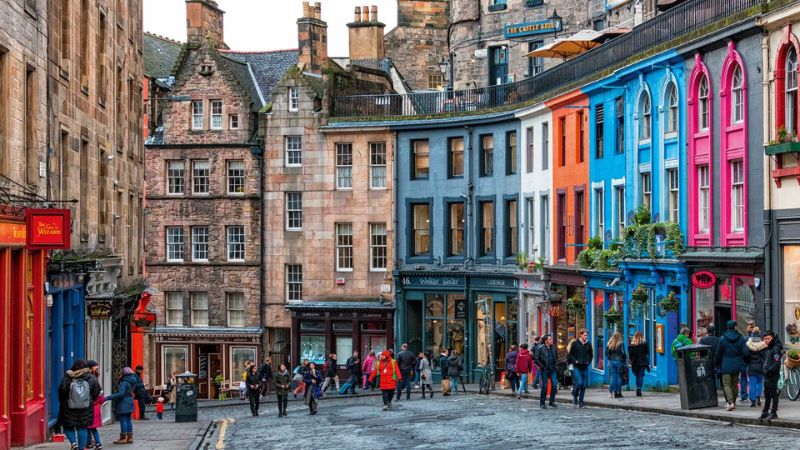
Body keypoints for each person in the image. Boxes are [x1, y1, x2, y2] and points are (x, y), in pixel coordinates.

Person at [58, 359, 101, 450]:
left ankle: (74, 443)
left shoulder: (68, 376)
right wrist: (89, 400)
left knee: (68, 427)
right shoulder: (91, 377)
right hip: (85, 408)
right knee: (82, 427)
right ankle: (81, 448)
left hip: (69, 407)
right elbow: (96, 391)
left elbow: (62, 390)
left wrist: (64, 401)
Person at [716, 320, 749, 411]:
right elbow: (746, 352)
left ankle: (730, 402)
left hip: (725, 364)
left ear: (727, 327)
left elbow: (718, 353)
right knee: (734, 384)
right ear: (735, 327)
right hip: (737, 364)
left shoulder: (723, 338)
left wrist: (717, 363)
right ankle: (733, 402)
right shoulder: (741, 338)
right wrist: (745, 361)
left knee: (726, 384)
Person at [105, 367, 138, 444]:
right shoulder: (132, 381)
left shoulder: (124, 382)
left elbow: (121, 394)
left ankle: (123, 438)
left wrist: (108, 397)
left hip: (124, 402)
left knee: (123, 420)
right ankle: (130, 438)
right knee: (128, 420)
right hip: (130, 401)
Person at [568, 329, 593, 407]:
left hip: (585, 366)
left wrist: (588, 362)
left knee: (583, 385)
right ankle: (575, 396)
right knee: (579, 383)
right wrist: (575, 361)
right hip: (577, 367)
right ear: (581, 335)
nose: (586, 337)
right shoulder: (575, 343)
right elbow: (570, 355)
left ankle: (581, 402)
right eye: (585, 335)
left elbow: (591, 354)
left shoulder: (588, 344)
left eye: (587, 335)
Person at [761, 330, 782, 421]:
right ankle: (765, 412)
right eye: (765, 339)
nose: (766, 340)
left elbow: (777, 363)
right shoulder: (768, 348)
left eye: (768, 339)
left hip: (772, 375)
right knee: (767, 394)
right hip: (766, 375)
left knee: (773, 394)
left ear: (772, 338)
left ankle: (774, 413)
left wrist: (768, 370)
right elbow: (765, 361)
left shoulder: (775, 348)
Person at [745, 327, 767, 407]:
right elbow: (765, 356)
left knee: (752, 384)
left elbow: (746, 356)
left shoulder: (748, 344)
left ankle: (752, 400)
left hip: (751, 366)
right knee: (759, 383)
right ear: (759, 335)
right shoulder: (763, 344)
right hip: (760, 366)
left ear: (752, 334)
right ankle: (758, 397)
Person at [535, 335, 558, 408]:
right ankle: (542, 403)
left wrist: (555, 365)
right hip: (545, 369)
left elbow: (556, 357)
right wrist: (542, 366)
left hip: (552, 369)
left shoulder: (553, 348)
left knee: (554, 385)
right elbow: (536, 358)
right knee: (544, 386)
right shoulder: (540, 348)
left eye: (551, 339)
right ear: (546, 341)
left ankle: (552, 401)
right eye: (550, 339)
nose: (551, 340)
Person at [628, 331, 650, 397]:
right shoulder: (644, 344)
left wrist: (632, 361)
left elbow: (630, 355)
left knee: (637, 375)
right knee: (641, 375)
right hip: (643, 362)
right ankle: (639, 389)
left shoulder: (632, 345)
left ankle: (638, 387)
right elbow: (647, 352)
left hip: (635, 363)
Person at [606, 332, 627, 399]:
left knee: (613, 377)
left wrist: (610, 358)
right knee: (619, 377)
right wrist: (624, 360)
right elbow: (623, 353)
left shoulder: (609, 344)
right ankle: (619, 392)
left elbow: (607, 353)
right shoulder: (621, 344)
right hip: (619, 361)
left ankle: (612, 392)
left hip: (611, 361)